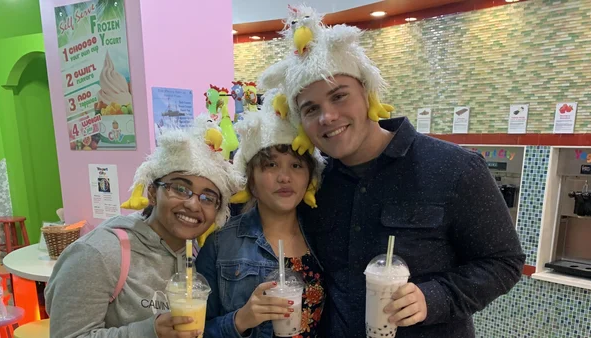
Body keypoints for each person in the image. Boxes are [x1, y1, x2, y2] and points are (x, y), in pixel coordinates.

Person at [257, 5, 526, 338]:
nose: (327, 116)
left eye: (339, 96)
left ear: (367, 94)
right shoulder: (316, 185)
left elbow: (504, 261)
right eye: (311, 109)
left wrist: (435, 297)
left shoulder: (455, 168)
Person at [45, 115, 244, 338]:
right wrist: (149, 331)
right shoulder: (99, 254)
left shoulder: (196, 253)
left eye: (208, 198)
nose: (192, 204)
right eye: (179, 188)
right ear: (151, 192)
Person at [195, 89, 327, 337]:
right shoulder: (221, 245)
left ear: (309, 177)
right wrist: (241, 320)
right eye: (271, 165)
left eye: (296, 165)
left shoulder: (324, 236)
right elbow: (196, 330)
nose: (285, 177)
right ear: (251, 181)